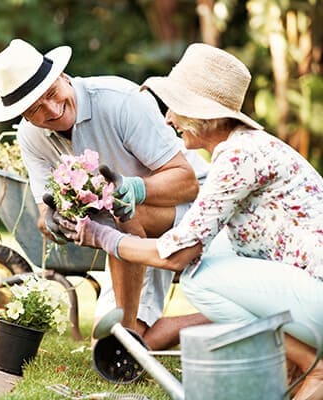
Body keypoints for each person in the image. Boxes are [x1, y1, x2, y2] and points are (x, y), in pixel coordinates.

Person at [55, 43, 323, 400]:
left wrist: (99, 236)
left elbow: (177, 255)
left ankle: (312, 365)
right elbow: (191, 237)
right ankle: (296, 363)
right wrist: (126, 210)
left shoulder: (239, 157)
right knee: (218, 255)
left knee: (198, 276)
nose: (168, 119)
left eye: (175, 109)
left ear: (203, 114)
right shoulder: (242, 150)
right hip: (309, 289)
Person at [0, 38, 211, 350]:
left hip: (195, 211)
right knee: (104, 345)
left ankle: (127, 334)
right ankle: (225, 321)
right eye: (36, 109)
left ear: (62, 76)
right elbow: (43, 213)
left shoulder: (120, 101)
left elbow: (188, 182)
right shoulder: (31, 137)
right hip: (128, 235)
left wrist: (133, 188)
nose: (51, 109)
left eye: (51, 93)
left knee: (121, 212)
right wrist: (54, 221)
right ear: (23, 115)